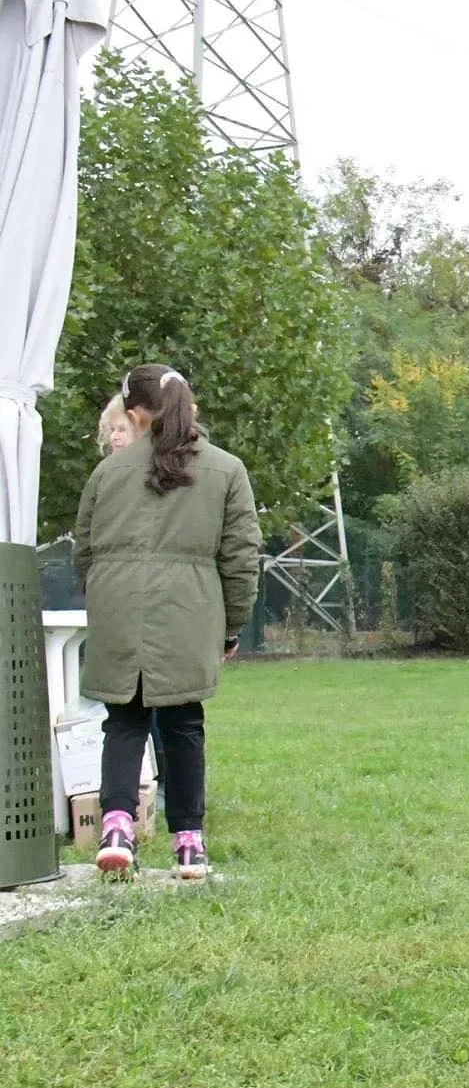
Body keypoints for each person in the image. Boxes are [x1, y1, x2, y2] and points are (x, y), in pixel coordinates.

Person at [74, 365, 261, 882]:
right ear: (187, 405)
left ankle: (116, 828)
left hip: (116, 607)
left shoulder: (107, 473)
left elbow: (84, 549)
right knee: (184, 724)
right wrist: (231, 624)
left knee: (122, 721)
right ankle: (189, 843)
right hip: (190, 611)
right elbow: (241, 556)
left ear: (134, 414)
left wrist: (103, 598)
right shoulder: (227, 470)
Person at [95, 393, 171, 826]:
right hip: (123, 611)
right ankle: (121, 813)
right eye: (110, 431)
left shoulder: (162, 480)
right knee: (127, 712)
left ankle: (161, 796)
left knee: (164, 712)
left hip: (162, 612)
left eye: (121, 429)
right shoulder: (107, 478)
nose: (115, 437)